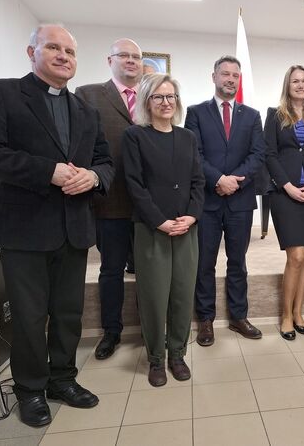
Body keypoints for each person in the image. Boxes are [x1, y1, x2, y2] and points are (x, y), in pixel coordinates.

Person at [0, 25, 113, 427]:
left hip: (74, 227)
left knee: (68, 313)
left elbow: (105, 162)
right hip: (25, 229)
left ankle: (62, 379)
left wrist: (94, 177)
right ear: (32, 52)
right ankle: (30, 388)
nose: (64, 56)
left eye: (70, 51)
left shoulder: (85, 110)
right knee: (29, 317)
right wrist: (47, 171)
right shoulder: (2, 93)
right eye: (53, 47)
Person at [122, 73, 204, 386]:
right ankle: (156, 358)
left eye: (171, 96)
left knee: (182, 293)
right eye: (158, 97)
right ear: (147, 101)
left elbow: (198, 181)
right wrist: (159, 220)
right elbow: (134, 184)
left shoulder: (187, 137)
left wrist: (191, 217)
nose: (166, 102)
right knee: (154, 296)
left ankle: (177, 354)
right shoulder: (135, 136)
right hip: (152, 228)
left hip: (186, 228)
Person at [185, 56, 266, 346]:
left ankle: (238, 317)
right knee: (204, 263)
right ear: (214, 77)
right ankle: (205, 320)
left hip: (240, 202)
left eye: (235, 75)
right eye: (225, 74)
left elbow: (258, 154)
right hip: (207, 201)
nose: (230, 79)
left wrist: (234, 181)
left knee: (238, 262)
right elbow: (194, 153)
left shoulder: (252, 115)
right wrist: (218, 179)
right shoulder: (196, 113)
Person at [75, 38, 143, 360]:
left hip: (149, 204)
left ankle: (150, 327)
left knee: (148, 271)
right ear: (110, 60)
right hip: (110, 201)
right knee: (112, 270)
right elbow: (79, 145)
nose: (130, 60)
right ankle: (111, 332)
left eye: (136, 57)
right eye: (123, 55)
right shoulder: (88, 94)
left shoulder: (153, 94)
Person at [264, 65, 304, 340]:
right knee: (296, 256)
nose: (300, 85)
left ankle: (299, 312)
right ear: (287, 85)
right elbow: (269, 154)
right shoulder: (275, 115)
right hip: (285, 194)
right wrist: (287, 186)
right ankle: (286, 316)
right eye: (295, 81)